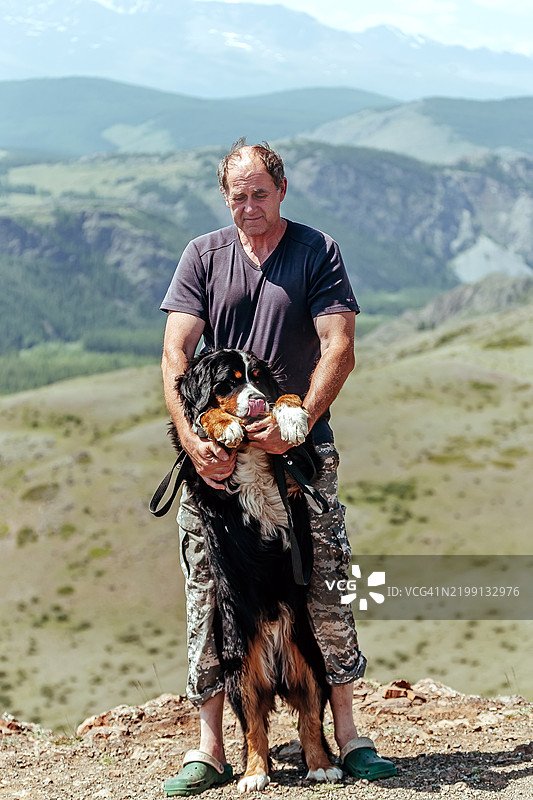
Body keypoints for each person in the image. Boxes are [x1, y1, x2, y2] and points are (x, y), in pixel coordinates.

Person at [160, 139, 396, 795]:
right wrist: (193, 440)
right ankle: (210, 749)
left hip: (300, 456)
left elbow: (338, 346)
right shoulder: (202, 256)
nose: (249, 206)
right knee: (208, 595)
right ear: (224, 197)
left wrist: (298, 426)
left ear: (282, 190)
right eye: (237, 195)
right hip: (217, 463)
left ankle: (350, 737)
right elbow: (175, 354)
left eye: (260, 193)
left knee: (326, 587)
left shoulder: (316, 251)